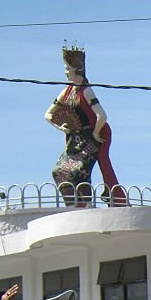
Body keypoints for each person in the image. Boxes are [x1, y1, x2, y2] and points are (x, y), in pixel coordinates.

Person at [46, 44, 126, 207]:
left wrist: (96, 133)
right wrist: (61, 127)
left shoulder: (86, 91)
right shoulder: (66, 92)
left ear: (77, 68)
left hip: (91, 138)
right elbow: (48, 114)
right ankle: (73, 205)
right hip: (74, 140)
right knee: (59, 171)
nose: (66, 72)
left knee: (78, 172)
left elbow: (101, 115)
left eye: (68, 68)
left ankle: (86, 205)